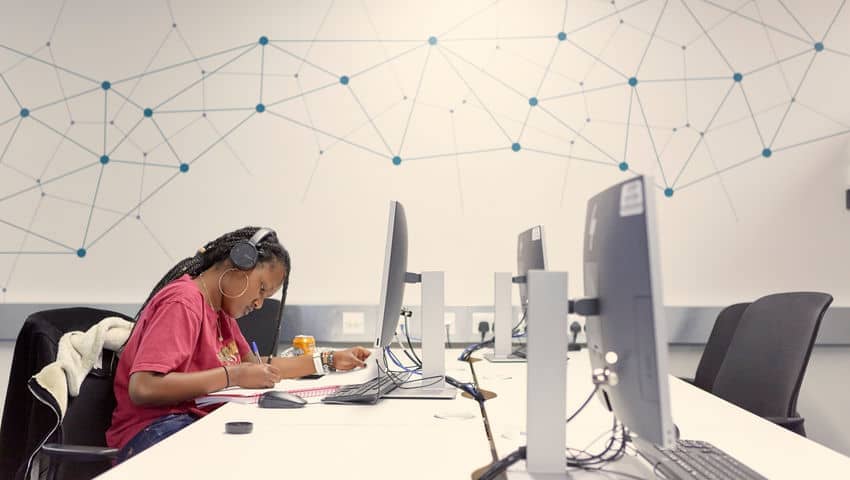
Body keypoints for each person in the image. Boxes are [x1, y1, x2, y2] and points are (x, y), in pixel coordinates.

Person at [106, 226, 371, 462]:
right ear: (239, 263)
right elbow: (143, 387)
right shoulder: (183, 303)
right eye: (262, 289)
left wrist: (328, 360)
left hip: (189, 422)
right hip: (152, 433)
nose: (258, 303)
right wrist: (231, 375)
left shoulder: (220, 312)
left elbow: (255, 368)